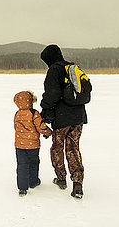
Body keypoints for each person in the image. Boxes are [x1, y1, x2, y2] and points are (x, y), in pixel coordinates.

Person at [40, 44, 87, 199]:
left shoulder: (54, 69)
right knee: (74, 148)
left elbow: (51, 94)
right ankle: (78, 184)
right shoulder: (72, 68)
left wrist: (44, 110)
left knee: (57, 148)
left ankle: (61, 179)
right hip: (78, 116)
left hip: (62, 118)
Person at [13, 90, 52, 196]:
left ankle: (22, 187)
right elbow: (40, 126)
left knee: (22, 165)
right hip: (33, 145)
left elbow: (15, 127)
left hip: (19, 145)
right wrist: (48, 132)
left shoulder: (17, 114)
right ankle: (33, 181)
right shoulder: (34, 113)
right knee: (33, 163)